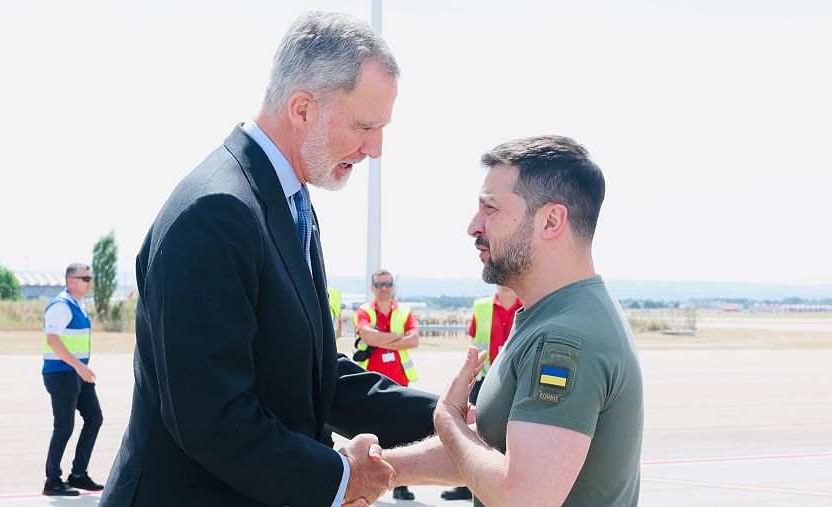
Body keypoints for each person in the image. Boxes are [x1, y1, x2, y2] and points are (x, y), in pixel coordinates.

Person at [100, 12, 437, 507]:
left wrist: (451, 417)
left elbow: (313, 374)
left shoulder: (285, 200)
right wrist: (342, 479)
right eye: (365, 126)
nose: (375, 149)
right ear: (302, 109)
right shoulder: (217, 211)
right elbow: (212, 419)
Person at [383, 136, 644, 506]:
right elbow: (496, 453)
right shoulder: (553, 314)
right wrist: (382, 470)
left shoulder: (564, 337)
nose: (474, 226)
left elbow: (521, 497)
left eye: (491, 209)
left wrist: (449, 421)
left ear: (551, 221)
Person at [440, 285, 520, 501]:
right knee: (475, 433)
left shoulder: (529, 304)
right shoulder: (482, 307)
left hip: (516, 379)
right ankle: (465, 485)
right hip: (486, 378)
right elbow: (475, 340)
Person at [352, 269, 419, 500]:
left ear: (393, 286)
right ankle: (367, 483)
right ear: (372, 287)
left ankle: (401, 483)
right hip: (371, 382)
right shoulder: (364, 311)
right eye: (379, 285)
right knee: (371, 436)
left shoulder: (404, 311)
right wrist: (397, 338)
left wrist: (382, 338)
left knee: (402, 435)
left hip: (400, 381)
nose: (383, 288)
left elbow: (415, 340)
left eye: (387, 284)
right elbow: (368, 338)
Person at [41, 263, 104, 496]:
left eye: (90, 278)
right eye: (85, 278)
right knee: (64, 426)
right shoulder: (60, 306)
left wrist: (80, 368)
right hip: (61, 373)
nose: (90, 282)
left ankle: (78, 474)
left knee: (94, 418)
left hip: (76, 372)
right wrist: (79, 366)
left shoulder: (79, 305)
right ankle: (52, 481)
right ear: (70, 281)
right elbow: (53, 341)